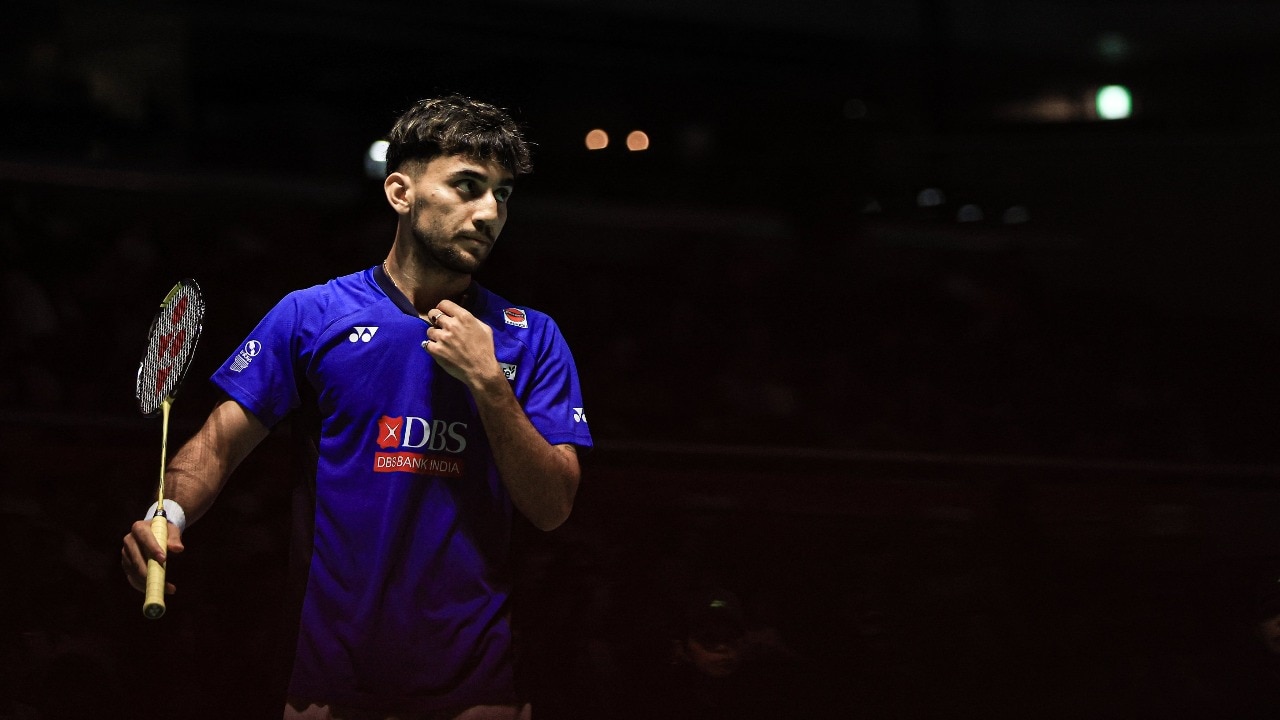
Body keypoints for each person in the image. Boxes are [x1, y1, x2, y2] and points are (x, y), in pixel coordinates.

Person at [121, 95, 593, 720]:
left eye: (502, 194)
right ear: (401, 192)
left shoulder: (531, 337)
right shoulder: (311, 315)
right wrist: (168, 512)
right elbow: (218, 443)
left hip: (479, 684)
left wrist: (489, 383)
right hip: (329, 677)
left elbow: (553, 507)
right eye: (467, 186)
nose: (489, 213)